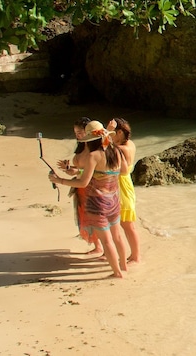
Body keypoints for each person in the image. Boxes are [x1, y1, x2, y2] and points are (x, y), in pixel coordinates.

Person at [50, 120, 127, 278]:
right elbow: (124, 172)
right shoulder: (116, 151)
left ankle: (117, 273)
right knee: (117, 236)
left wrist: (59, 181)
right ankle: (124, 267)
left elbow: (83, 182)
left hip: (97, 205)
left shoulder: (93, 156)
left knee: (106, 241)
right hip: (114, 201)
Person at [57, 118, 103, 258]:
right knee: (86, 217)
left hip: (93, 188)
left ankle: (103, 247)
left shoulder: (94, 151)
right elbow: (80, 171)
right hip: (82, 187)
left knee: (97, 219)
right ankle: (98, 246)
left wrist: (65, 178)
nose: (78, 135)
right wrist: (69, 169)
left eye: (80, 132)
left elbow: (94, 172)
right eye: (75, 133)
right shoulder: (82, 148)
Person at [108, 117, 141, 263]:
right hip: (126, 184)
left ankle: (135, 256)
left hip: (121, 187)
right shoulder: (131, 144)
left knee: (127, 224)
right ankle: (135, 255)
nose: (110, 136)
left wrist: (106, 132)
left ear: (119, 132)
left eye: (113, 133)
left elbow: (101, 147)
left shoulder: (120, 149)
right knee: (127, 224)